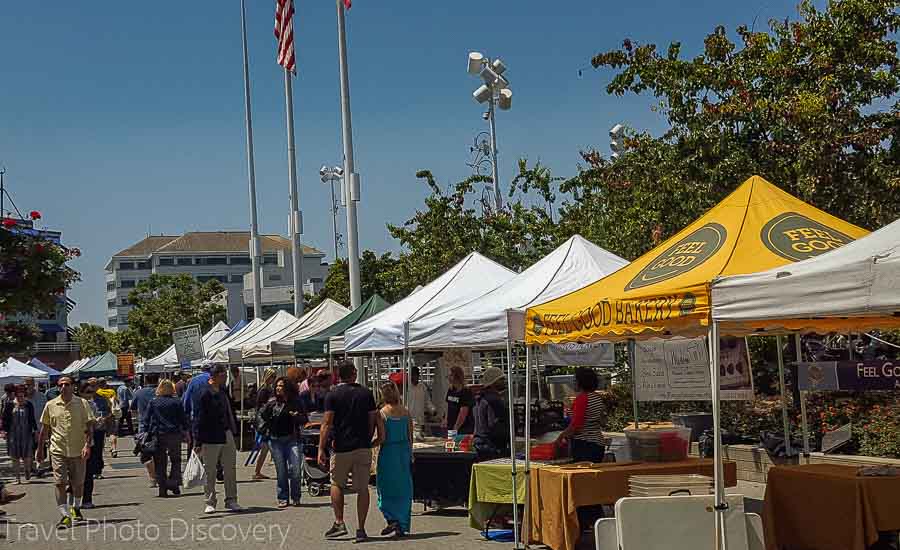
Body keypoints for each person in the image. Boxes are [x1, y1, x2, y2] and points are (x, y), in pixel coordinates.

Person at [319, 361, 377, 543]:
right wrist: (368, 437)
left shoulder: (332, 395)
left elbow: (327, 423)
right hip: (362, 445)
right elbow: (372, 419)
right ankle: (361, 528)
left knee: (336, 483)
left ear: (339, 375)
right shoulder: (366, 393)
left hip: (341, 446)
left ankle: (339, 522)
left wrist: (321, 447)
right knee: (363, 488)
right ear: (354, 373)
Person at [37, 376, 95, 529]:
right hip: (58, 450)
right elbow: (45, 429)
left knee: (78, 484)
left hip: (78, 450)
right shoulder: (50, 405)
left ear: (73, 387)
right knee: (60, 482)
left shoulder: (82, 404)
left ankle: (75, 508)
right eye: (60, 385)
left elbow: (89, 427)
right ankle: (64, 515)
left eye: (67, 384)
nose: (63, 387)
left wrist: (87, 446)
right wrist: (40, 450)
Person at [193, 365, 242, 514]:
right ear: (216, 376)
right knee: (210, 470)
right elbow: (198, 418)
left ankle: (231, 499)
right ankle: (210, 501)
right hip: (210, 436)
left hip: (226, 432)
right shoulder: (203, 393)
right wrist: (198, 441)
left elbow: (229, 411)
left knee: (230, 468)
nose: (226, 378)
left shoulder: (222, 391)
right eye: (224, 375)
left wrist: (233, 429)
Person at [259, 376, 306, 507]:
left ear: (287, 388)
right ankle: (283, 497)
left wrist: (296, 416)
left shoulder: (296, 402)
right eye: (277, 386)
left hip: (293, 439)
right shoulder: (272, 403)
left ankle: (296, 496)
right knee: (281, 471)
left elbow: (304, 419)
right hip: (275, 440)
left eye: (281, 386)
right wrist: (264, 428)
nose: (278, 388)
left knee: (295, 469)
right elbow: (261, 415)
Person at [373, 382, 413, 537]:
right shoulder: (406, 412)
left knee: (385, 487)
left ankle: (391, 518)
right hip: (403, 452)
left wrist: (370, 445)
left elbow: (381, 438)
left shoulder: (382, 413)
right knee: (403, 489)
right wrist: (410, 454)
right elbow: (410, 436)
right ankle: (401, 524)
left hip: (388, 452)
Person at [555, 367, 607, 462]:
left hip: (585, 445)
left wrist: (561, 436)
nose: (573, 383)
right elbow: (602, 421)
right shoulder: (597, 398)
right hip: (597, 443)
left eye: (575, 380)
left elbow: (576, 425)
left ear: (581, 382)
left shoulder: (582, 398)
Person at [146, 379, 188, 498]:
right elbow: (183, 419)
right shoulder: (176, 402)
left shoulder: (153, 402)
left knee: (160, 462)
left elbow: (147, 419)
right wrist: (186, 431)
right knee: (176, 460)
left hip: (159, 434)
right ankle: (174, 483)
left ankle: (162, 487)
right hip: (174, 434)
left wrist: (144, 432)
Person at [472, 366, 510, 462]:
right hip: (492, 447)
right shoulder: (494, 400)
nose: (504, 381)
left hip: (479, 445)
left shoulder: (480, 397)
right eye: (501, 379)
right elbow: (497, 427)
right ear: (493, 382)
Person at [82, 381, 109, 508]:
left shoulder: (93, 404)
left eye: (91, 392)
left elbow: (94, 424)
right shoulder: (75, 405)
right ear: (80, 393)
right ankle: (74, 499)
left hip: (89, 441)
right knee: (75, 475)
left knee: (88, 472)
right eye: (87, 392)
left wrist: (99, 421)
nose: (90, 395)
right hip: (74, 443)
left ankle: (87, 499)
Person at [2, 385, 37, 483]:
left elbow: (32, 419)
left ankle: (27, 470)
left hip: (26, 433)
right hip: (13, 434)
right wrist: (4, 431)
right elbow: (4, 419)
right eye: (18, 396)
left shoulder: (29, 404)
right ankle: (17, 478)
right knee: (14, 457)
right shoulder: (9, 404)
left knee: (27, 456)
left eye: (22, 396)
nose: (20, 398)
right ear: (15, 395)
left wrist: (36, 431)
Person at [131, 374, 159, 487]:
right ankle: (160, 475)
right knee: (159, 452)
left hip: (144, 426)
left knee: (146, 453)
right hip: (159, 425)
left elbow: (132, 408)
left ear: (146, 380)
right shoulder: (161, 391)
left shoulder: (139, 393)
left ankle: (153, 478)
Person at [253, 368, 277, 481]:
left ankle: (257, 471)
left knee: (266, 448)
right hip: (265, 422)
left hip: (267, 422)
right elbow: (261, 407)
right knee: (268, 447)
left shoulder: (267, 389)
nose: (274, 379)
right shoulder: (264, 390)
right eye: (272, 376)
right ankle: (257, 471)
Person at [24, 377, 48, 476]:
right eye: (25, 385)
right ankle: (31, 468)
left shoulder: (42, 397)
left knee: (40, 447)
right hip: (26, 429)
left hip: (40, 427)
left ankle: (39, 467)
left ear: (34, 385)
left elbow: (47, 412)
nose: (27, 387)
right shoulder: (21, 398)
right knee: (28, 449)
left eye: (29, 384)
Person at [444, 366, 474, 434]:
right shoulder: (451, 390)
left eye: (451, 375)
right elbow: (447, 405)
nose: (448, 377)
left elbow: (463, 412)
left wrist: (456, 427)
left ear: (457, 376)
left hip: (463, 428)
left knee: (458, 444)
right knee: (451, 444)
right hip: (451, 427)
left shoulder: (466, 391)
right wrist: (445, 420)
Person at [407, 366, 433, 440]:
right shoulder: (406, 387)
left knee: (421, 440)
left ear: (418, 375)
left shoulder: (423, 387)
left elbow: (427, 401)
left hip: (420, 420)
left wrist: (433, 410)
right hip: (409, 420)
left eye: (416, 374)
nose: (414, 376)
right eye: (412, 375)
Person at [95, 378, 119, 458]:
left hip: (99, 415)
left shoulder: (96, 392)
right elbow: (116, 402)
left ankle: (100, 451)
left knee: (101, 434)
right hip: (110, 414)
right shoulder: (111, 392)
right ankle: (114, 449)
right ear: (105, 384)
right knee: (112, 433)